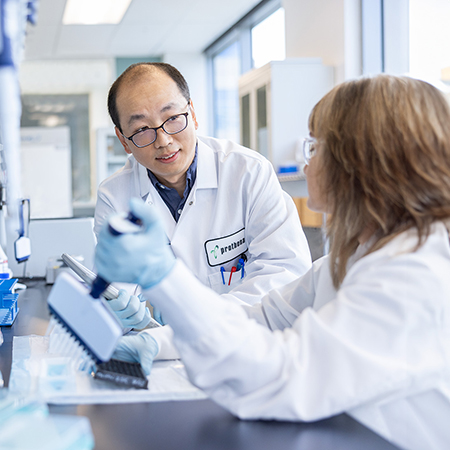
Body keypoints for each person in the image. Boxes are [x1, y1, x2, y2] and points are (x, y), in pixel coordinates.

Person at [95, 74, 450, 450]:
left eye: (315, 148)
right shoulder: (351, 259)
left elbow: (280, 379)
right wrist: (157, 340)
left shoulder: (415, 275)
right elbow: (264, 317)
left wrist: (164, 279)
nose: (306, 164)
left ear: (364, 163)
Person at [94, 62, 312, 328]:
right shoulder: (114, 197)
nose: (163, 140)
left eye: (172, 118)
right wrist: (121, 313)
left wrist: (206, 315)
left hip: (249, 340)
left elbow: (285, 273)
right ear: (123, 140)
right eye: (141, 130)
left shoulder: (248, 173)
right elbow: (119, 286)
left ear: (192, 114)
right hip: (164, 349)